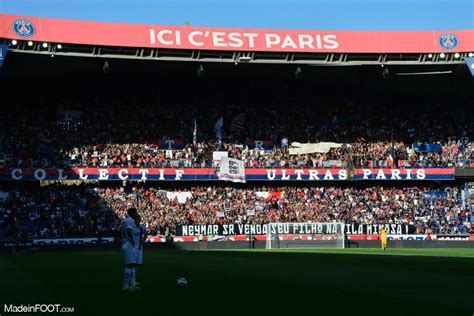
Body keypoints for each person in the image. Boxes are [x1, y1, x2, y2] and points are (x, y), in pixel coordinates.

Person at [121, 208, 140, 291]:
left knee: (131, 265)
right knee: (130, 266)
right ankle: (126, 286)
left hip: (125, 243)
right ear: (131, 213)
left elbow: (120, 231)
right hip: (129, 245)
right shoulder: (130, 221)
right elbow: (129, 230)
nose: (136, 214)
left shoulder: (125, 221)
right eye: (135, 212)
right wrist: (132, 240)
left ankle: (130, 285)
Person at [132, 214, 147, 290]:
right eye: (137, 219)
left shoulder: (142, 227)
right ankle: (132, 281)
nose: (138, 220)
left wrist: (143, 240)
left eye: (139, 219)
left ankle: (133, 280)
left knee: (137, 264)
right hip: (133, 247)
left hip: (139, 247)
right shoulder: (131, 227)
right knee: (133, 264)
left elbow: (146, 233)